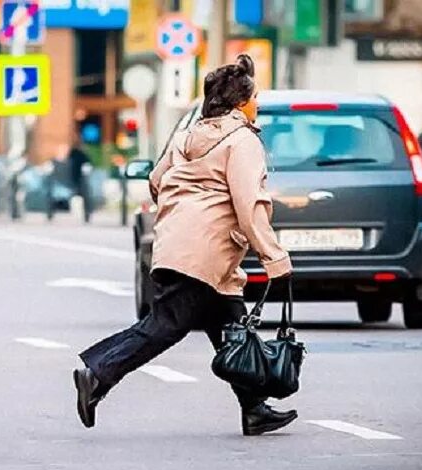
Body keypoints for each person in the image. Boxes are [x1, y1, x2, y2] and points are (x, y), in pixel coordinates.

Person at [73, 54, 296, 436]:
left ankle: (254, 409)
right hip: (205, 254)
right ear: (241, 104)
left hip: (185, 247)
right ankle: (98, 373)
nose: (257, 104)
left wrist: (184, 212)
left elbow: (157, 180)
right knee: (165, 326)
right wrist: (275, 258)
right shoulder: (242, 140)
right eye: (254, 97)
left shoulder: (187, 136)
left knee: (231, 328)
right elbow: (250, 204)